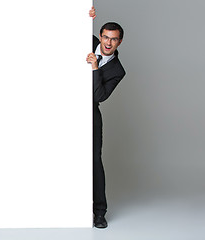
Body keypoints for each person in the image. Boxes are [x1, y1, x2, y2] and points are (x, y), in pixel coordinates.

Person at [86, 7, 126, 228]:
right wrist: (84, 15)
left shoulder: (118, 70)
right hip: (65, 109)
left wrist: (94, 67)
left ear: (119, 42)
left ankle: (99, 212)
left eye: (114, 39)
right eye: (105, 37)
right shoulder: (87, 40)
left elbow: (99, 95)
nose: (108, 43)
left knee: (94, 161)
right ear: (99, 36)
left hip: (91, 113)